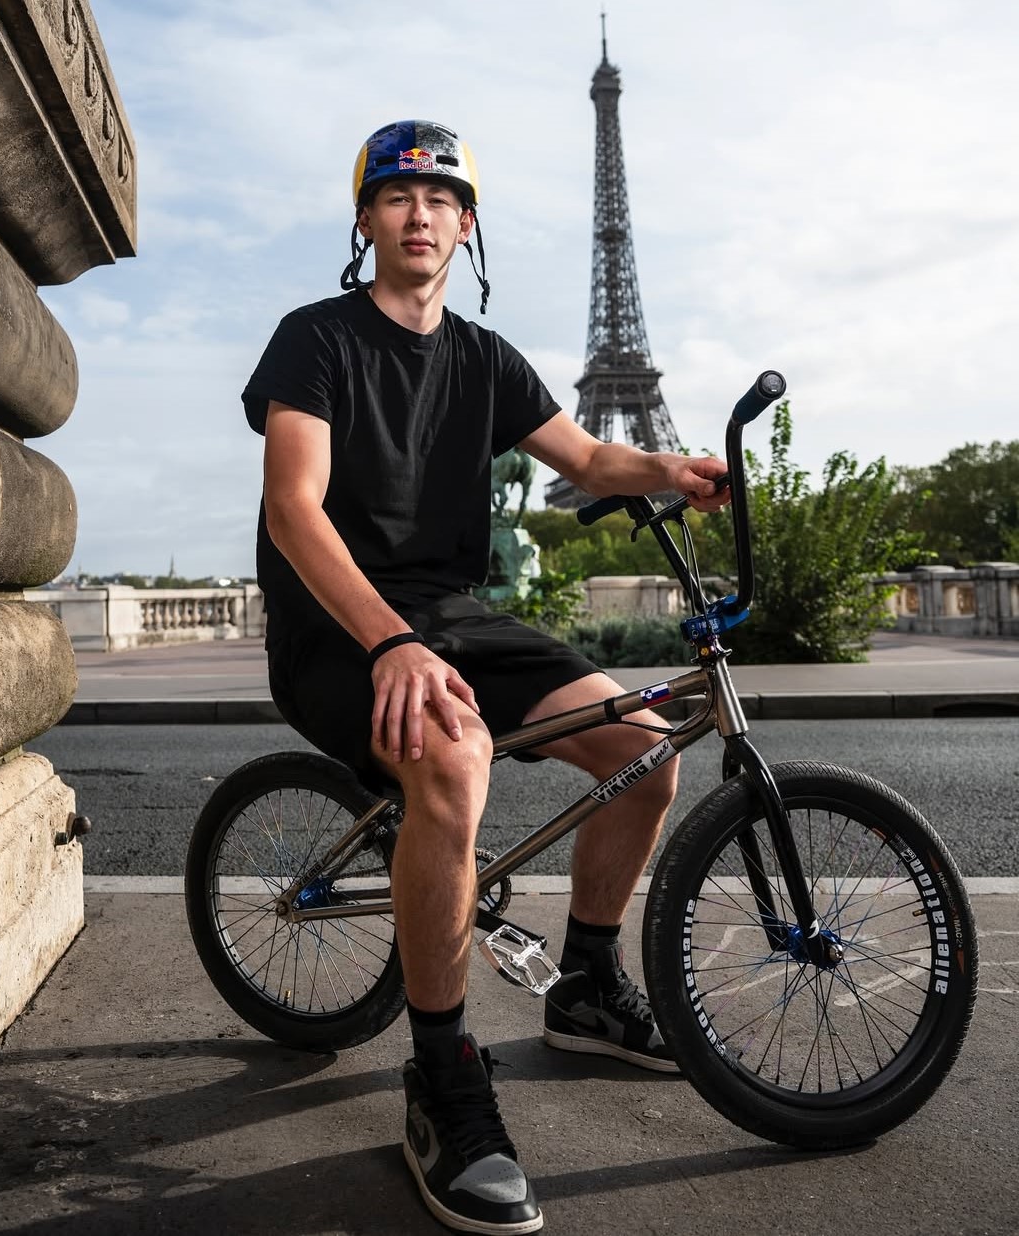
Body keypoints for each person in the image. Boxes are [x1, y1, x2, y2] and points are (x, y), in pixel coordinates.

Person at [243, 119, 730, 1235]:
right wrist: (390, 643)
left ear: (465, 227)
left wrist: (675, 467)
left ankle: (587, 988)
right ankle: (442, 1076)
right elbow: (294, 509)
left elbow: (592, 460)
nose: (419, 214)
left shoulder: (486, 357)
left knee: (645, 746)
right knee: (457, 765)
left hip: (454, 618)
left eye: (441, 199)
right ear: (367, 220)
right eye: (397, 195)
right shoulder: (314, 340)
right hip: (339, 627)